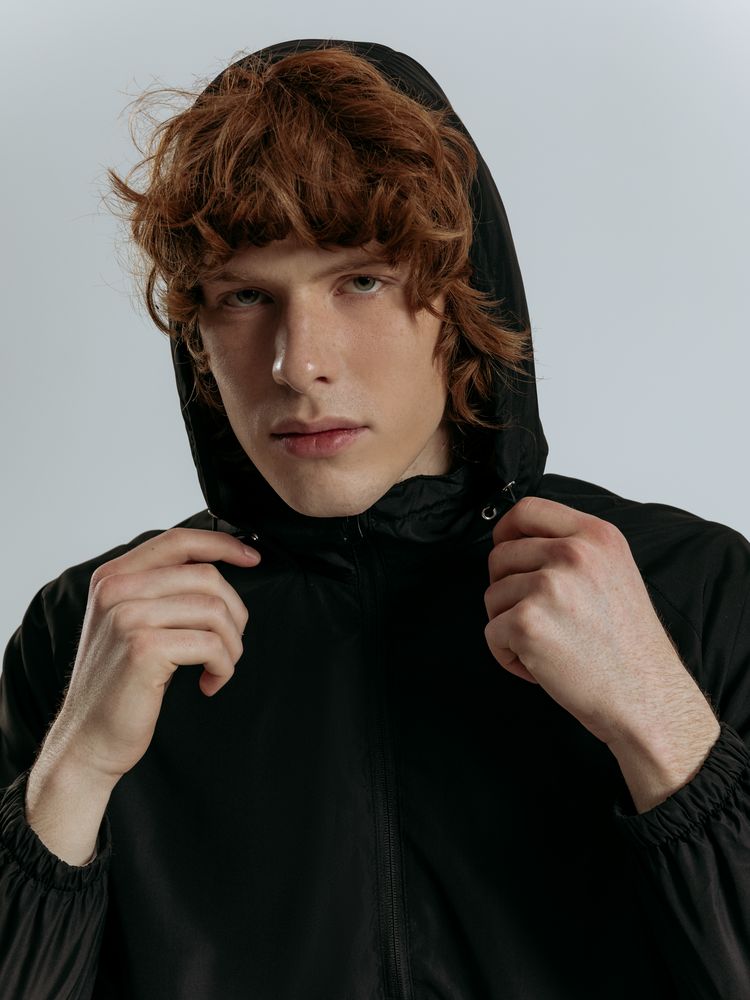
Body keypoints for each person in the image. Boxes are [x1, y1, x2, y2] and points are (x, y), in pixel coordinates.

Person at [0, 37, 748, 1000]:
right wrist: (72, 776)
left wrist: (669, 734)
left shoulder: (691, 588)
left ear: (461, 301)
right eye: (244, 296)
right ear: (197, 335)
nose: (297, 364)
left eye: (361, 280)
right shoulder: (88, 634)